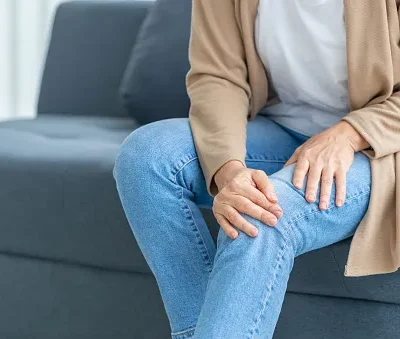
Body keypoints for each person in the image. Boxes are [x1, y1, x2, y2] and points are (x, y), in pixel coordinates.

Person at [114, 1, 400, 338]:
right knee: (147, 157)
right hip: (279, 130)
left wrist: (349, 134)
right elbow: (218, 75)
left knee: (260, 213)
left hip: (378, 145)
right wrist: (230, 172)